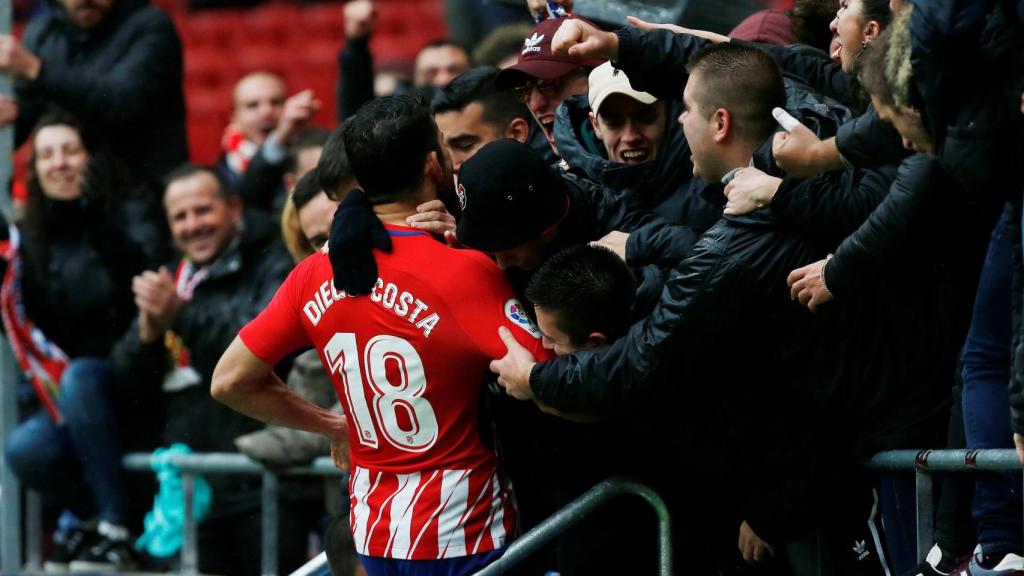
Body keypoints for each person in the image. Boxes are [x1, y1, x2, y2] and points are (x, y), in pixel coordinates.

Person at [210, 95, 550, 575]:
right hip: (463, 533)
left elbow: (229, 381)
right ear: (435, 163)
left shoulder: (312, 274)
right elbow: (547, 376)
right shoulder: (462, 269)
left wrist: (336, 426)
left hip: (375, 535)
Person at [111, 164, 299, 575]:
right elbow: (128, 390)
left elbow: (263, 350)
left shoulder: (272, 262)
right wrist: (146, 336)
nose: (192, 225)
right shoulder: (169, 278)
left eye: (203, 210)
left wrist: (181, 316)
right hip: (188, 486)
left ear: (234, 208)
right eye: (180, 216)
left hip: (258, 485)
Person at [2, 112, 165, 571]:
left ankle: (116, 526)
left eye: (70, 151)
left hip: (133, 377)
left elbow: (146, 275)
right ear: (32, 170)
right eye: (46, 155)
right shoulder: (28, 237)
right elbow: (26, 324)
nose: (60, 164)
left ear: (92, 158)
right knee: (24, 449)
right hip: (68, 398)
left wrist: (99, 220)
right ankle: (97, 522)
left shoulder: (129, 208)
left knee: (80, 377)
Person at [0, 0, 188, 191]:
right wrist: (9, 112)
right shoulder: (43, 33)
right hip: (69, 197)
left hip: (142, 193)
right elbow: (25, 115)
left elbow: (120, 105)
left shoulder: (152, 25)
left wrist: (36, 69)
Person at [553, 61, 721, 231]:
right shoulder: (564, 196)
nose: (630, 136)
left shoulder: (714, 190)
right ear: (595, 125)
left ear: (669, 114)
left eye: (645, 117)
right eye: (614, 122)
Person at [493, 15, 603, 158]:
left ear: (599, 77)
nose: (535, 104)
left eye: (549, 83)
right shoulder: (535, 176)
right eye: (524, 91)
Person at [219, 71, 320, 212]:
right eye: (252, 105)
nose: (266, 111)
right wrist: (279, 138)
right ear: (235, 117)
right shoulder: (223, 174)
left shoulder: (313, 154)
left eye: (276, 102)